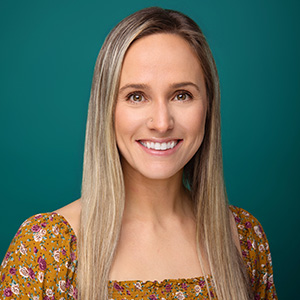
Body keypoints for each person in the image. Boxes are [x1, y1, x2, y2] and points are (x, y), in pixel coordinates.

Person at [0, 7, 277, 300]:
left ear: (208, 107)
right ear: (107, 110)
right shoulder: (45, 247)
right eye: (136, 96)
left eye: (182, 95)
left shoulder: (244, 239)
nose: (161, 122)